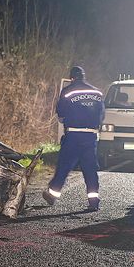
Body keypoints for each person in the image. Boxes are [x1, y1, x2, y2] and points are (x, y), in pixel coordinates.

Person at [43, 66, 105, 211]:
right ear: (84, 77)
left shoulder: (68, 91)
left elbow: (61, 113)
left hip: (73, 135)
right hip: (90, 136)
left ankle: (52, 194)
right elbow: (102, 115)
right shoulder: (97, 92)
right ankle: (93, 201)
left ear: (72, 78)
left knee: (64, 166)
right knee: (90, 169)